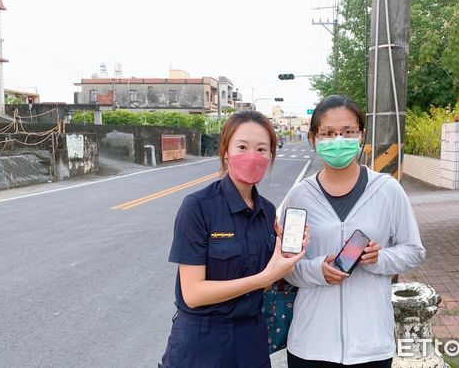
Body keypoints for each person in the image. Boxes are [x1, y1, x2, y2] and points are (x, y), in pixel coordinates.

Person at [280, 95, 426, 367]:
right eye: (328, 133)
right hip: (310, 345)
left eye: (347, 132)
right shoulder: (299, 197)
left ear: (361, 135)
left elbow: (413, 251)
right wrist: (316, 270)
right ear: (313, 138)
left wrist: (378, 259)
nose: (338, 140)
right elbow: (286, 266)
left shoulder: (387, 190)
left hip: (371, 346)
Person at [160, 110, 306, 368]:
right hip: (202, 339)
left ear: (271, 155)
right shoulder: (198, 207)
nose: (253, 156)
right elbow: (193, 293)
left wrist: (285, 257)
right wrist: (264, 278)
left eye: (262, 149)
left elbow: (264, 278)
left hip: (252, 337)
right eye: (242, 146)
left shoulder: (268, 211)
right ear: (226, 152)